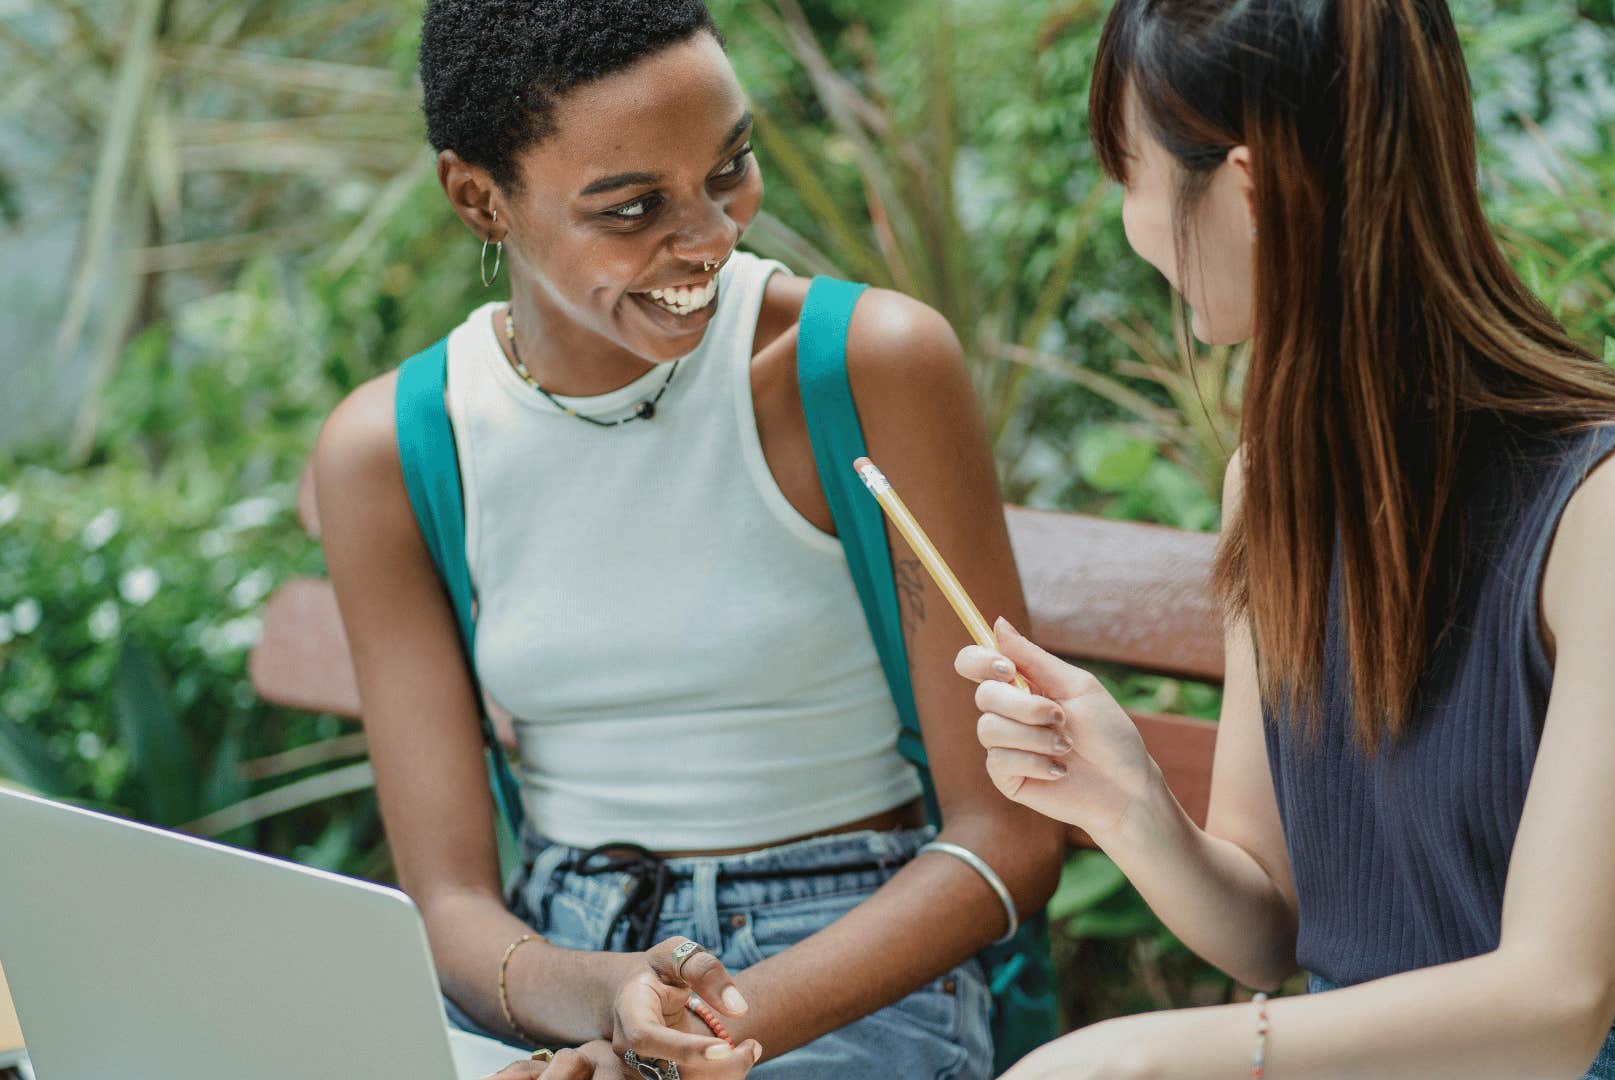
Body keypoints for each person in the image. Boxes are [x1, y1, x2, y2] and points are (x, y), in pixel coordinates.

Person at [953, 1, 1615, 1077]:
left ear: (1247, 191)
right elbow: (1271, 927)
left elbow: (1558, 1002)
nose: (1130, 221)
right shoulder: (1276, 482)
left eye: (1130, 170)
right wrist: (1127, 800)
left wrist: (1141, 1056)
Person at [313, 2, 1066, 1077]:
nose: (712, 235)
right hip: (558, 961)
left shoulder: (861, 367)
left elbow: (1008, 840)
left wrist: (686, 1032)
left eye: (731, 168)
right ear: (480, 198)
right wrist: (599, 1006)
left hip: (847, 960)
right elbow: (450, 902)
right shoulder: (394, 450)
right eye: (632, 208)